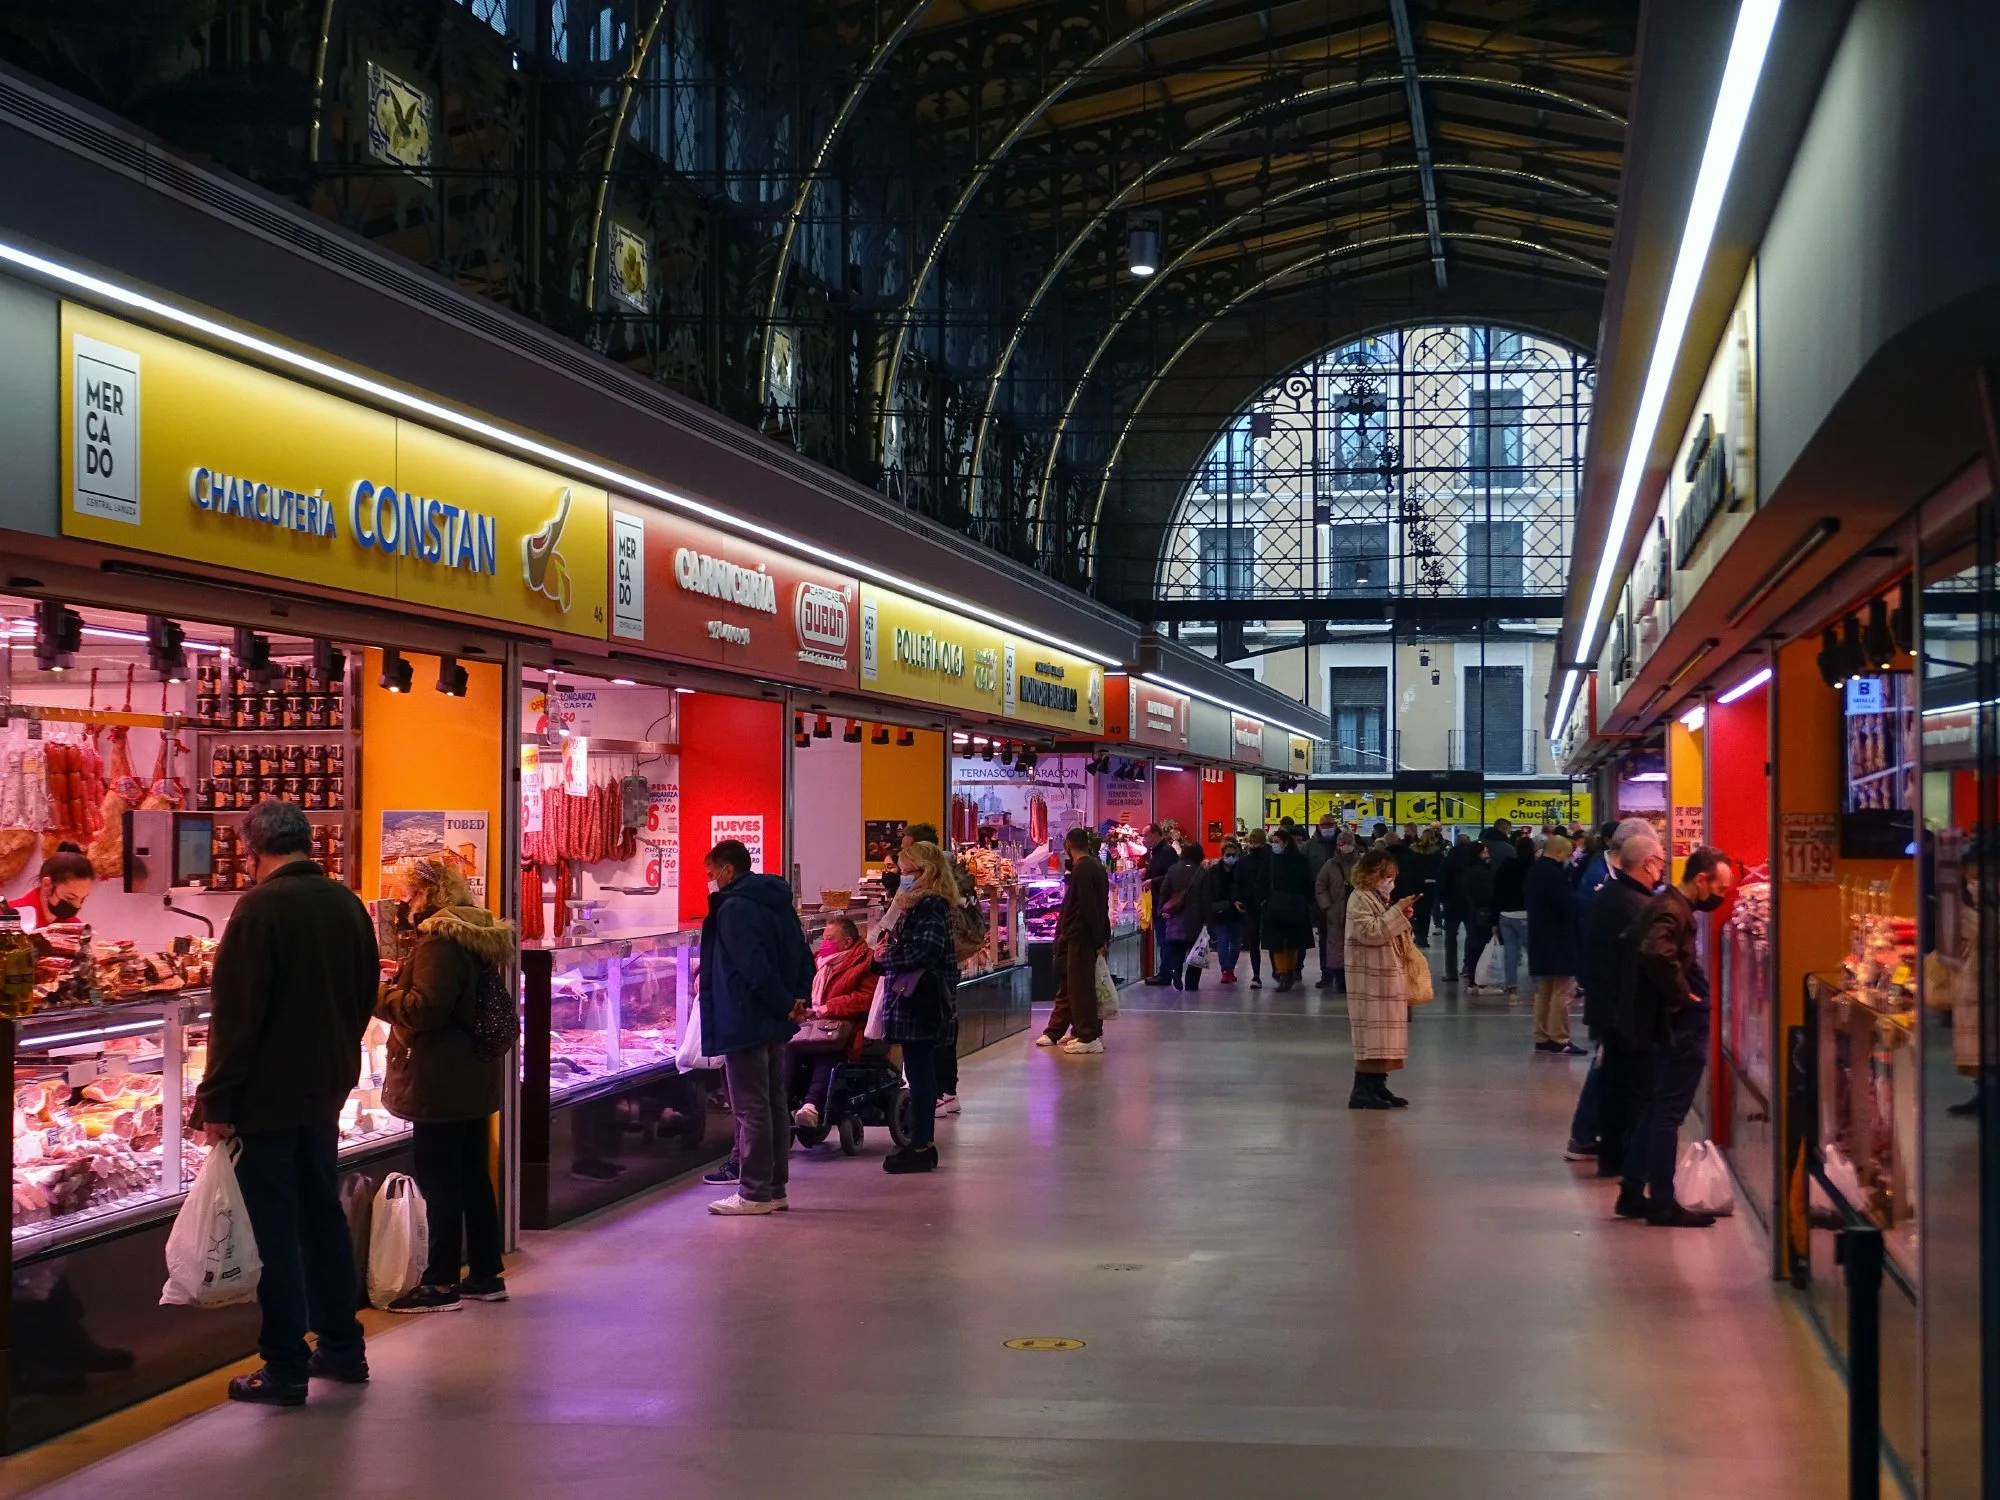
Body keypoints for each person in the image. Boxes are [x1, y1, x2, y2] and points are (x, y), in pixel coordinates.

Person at [193, 800, 376, 1404]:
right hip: (324, 1090)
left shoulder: (260, 909)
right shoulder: (345, 904)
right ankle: (343, 1349)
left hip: (266, 1100)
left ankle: (285, 1366)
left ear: (254, 850)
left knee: (272, 1232)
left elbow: (237, 1016)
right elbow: (365, 990)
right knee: (322, 1219)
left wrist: (215, 1099)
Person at [375, 856, 515, 1313]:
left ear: (430, 895)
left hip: (440, 1079)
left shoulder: (439, 940)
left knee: (441, 1182)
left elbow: (425, 1010)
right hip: (470, 1076)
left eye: (410, 893)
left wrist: (374, 993)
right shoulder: (473, 932)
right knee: (473, 1176)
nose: (406, 903)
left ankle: (439, 1284)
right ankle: (484, 1274)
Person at [1616, 845, 1737, 1227]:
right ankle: (1663, 1200)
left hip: (1662, 1025)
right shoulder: (1673, 909)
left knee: (1656, 1108)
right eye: (1719, 887)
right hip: (1680, 1029)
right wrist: (1682, 995)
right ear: (1701, 879)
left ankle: (1633, 1191)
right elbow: (1656, 952)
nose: (1721, 896)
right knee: (1668, 1113)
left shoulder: (1664, 903)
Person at [700, 839, 813, 1215]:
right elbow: (802, 954)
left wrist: (784, 1003)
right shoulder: (777, 901)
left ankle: (753, 1193)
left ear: (727, 870)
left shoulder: (734, 908)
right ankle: (775, 1188)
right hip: (775, 1018)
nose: (710, 880)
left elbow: (751, 967)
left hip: (744, 1016)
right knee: (773, 1103)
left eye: (711, 872)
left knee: (751, 1109)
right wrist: (795, 1003)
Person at [1573, 831, 1664, 1169]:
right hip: (1624, 1012)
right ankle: (1621, 1155)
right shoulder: (1633, 905)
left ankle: (1608, 1151)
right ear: (1648, 863)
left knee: (1611, 1080)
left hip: (1609, 1007)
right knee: (1627, 1087)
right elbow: (1644, 961)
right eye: (1661, 863)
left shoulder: (1612, 894)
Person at [877, 839, 962, 1169]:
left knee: (920, 1073)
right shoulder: (921, 903)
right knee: (917, 1070)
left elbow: (926, 951)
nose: (903, 877)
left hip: (921, 1000)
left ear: (924, 871)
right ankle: (920, 1142)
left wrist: (886, 958)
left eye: (907, 871)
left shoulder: (930, 905)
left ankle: (922, 1145)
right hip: (919, 1000)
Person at [1344, 849, 1418, 1108]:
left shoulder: (1376, 898)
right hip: (1370, 977)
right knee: (1372, 1033)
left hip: (1385, 975)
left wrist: (1401, 915)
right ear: (1372, 874)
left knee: (1383, 1035)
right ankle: (1362, 1090)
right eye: (1387, 876)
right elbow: (1371, 932)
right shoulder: (1359, 898)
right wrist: (1397, 912)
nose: (1391, 882)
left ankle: (1378, 1084)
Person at [790, 915, 876, 1131]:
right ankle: (781, 1104)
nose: (824, 943)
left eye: (830, 939)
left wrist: (830, 1008)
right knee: (788, 1050)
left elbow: (866, 997)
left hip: (844, 1028)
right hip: (811, 1024)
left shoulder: (865, 962)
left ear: (847, 942)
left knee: (825, 1050)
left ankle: (811, 1105)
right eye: (823, 938)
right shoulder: (819, 961)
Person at [1042, 827, 1110, 1050]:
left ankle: (1088, 1037)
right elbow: (1101, 905)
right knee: (1078, 986)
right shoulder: (1096, 866)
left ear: (1068, 845)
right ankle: (1083, 1032)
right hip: (1088, 936)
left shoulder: (1082, 869)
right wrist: (1102, 936)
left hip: (1081, 937)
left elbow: (1088, 906)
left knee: (1081, 989)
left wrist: (1097, 938)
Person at [1525, 834, 1583, 1054]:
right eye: (1567, 854)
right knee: (1563, 989)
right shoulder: (1554, 875)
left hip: (1540, 937)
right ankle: (1559, 1037)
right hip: (1558, 938)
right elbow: (1568, 905)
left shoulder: (1535, 872)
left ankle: (1542, 1036)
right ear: (1559, 853)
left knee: (1544, 990)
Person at [1262, 827, 1314, 992]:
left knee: (1289, 943)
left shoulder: (1274, 860)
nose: (1275, 845)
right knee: (1282, 943)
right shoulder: (1275, 860)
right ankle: (1284, 973)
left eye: (1277, 842)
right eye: (1273, 842)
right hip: (1285, 906)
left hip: (1285, 906)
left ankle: (1286, 973)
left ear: (1285, 843)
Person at [1153, 841, 1208, 990]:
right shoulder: (1202, 873)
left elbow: (1164, 891)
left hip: (1175, 915)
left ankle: (1176, 974)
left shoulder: (1173, 870)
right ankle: (1192, 983)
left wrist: (1162, 909)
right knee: (1195, 951)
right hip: (1196, 918)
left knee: (1176, 949)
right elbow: (1206, 897)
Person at [10, 842, 94, 929]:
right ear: (47, 885)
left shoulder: (73, 927)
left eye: (82, 900)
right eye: (70, 898)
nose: (77, 906)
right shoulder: (7, 918)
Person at [1489, 835, 1531, 994]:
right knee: (1532, 950)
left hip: (1505, 914)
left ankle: (1511, 984)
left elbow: (1497, 892)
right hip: (1525, 914)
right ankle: (1538, 982)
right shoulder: (1532, 867)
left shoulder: (1505, 866)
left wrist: (1493, 919)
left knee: (1510, 951)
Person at [1313, 830, 1354, 994]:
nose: (1346, 846)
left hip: (1357, 913)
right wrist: (1327, 906)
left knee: (1354, 946)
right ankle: (1338, 978)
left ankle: (1352, 977)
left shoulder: (1362, 864)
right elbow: (1320, 886)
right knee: (1335, 946)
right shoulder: (1330, 865)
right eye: (1342, 842)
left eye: (1348, 842)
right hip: (1335, 913)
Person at [1232, 827, 1273, 987]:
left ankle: (1263, 974)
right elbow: (1237, 882)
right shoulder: (1268, 859)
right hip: (1254, 904)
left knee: (1262, 940)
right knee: (1256, 940)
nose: (1253, 844)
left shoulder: (1248, 861)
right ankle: (1258, 975)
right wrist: (1236, 898)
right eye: (1251, 841)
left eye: (1256, 841)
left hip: (1261, 903)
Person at [1304, 815, 1341, 985]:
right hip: (1318, 900)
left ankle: (1342, 974)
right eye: (1324, 824)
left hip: (1343, 899)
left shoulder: (1345, 843)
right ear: (1318, 826)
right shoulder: (1309, 847)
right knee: (1324, 936)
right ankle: (1326, 973)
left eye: (1330, 824)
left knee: (1343, 937)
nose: (1327, 827)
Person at [1459, 840, 1495, 990]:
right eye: (1485, 851)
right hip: (1482, 912)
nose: (1487, 854)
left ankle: (1473, 976)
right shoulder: (1481, 872)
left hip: (1471, 911)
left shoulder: (1467, 869)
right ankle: (1478, 978)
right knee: (1481, 945)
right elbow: (1487, 894)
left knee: (1474, 944)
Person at [1209, 840, 1245, 982]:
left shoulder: (1241, 870)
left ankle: (1230, 968)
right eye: (1228, 854)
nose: (1231, 857)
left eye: (1233, 854)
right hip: (1220, 910)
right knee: (1223, 940)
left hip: (1237, 911)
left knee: (1236, 942)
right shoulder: (1214, 872)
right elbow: (1212, 891)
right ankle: (1225, 969)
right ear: (1222, 855)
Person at [1436, 834, 1470, 981]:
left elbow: (1441, 882)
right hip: (1470, 903)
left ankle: (1451, 972)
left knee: (1450, 939)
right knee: (1472, 936)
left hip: (1452, 903)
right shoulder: (1472, 860)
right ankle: (1468, 966)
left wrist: (1442, 899)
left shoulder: (1448, 860)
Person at [1407, 825, 1446, 946]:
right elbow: (1441, 869)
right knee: (1427, 911)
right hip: (1431, 883)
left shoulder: (1413, 851)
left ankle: (1417, 934)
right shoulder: (1437, 852)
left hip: (1415, 884)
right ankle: (1423, 936)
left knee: (1414, 910)